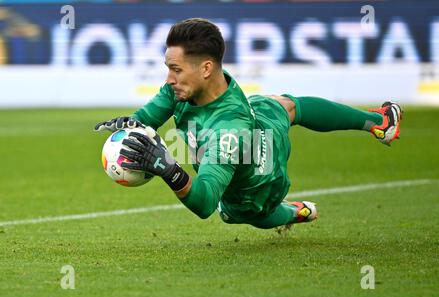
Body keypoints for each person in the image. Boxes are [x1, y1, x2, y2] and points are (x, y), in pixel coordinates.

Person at [94, 18, 402, 230]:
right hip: (260, 120)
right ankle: (380, 123)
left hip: (256, 183)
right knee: (287, 105)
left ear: (205, 68)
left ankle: (293, 212)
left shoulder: (226, 133)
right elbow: (152, 113)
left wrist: (169, 170)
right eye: (168, 68)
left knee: (237, 213)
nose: (168, 78)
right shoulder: (187, 86)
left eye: (175, 69)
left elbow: (202, 204)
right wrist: (134, 123)